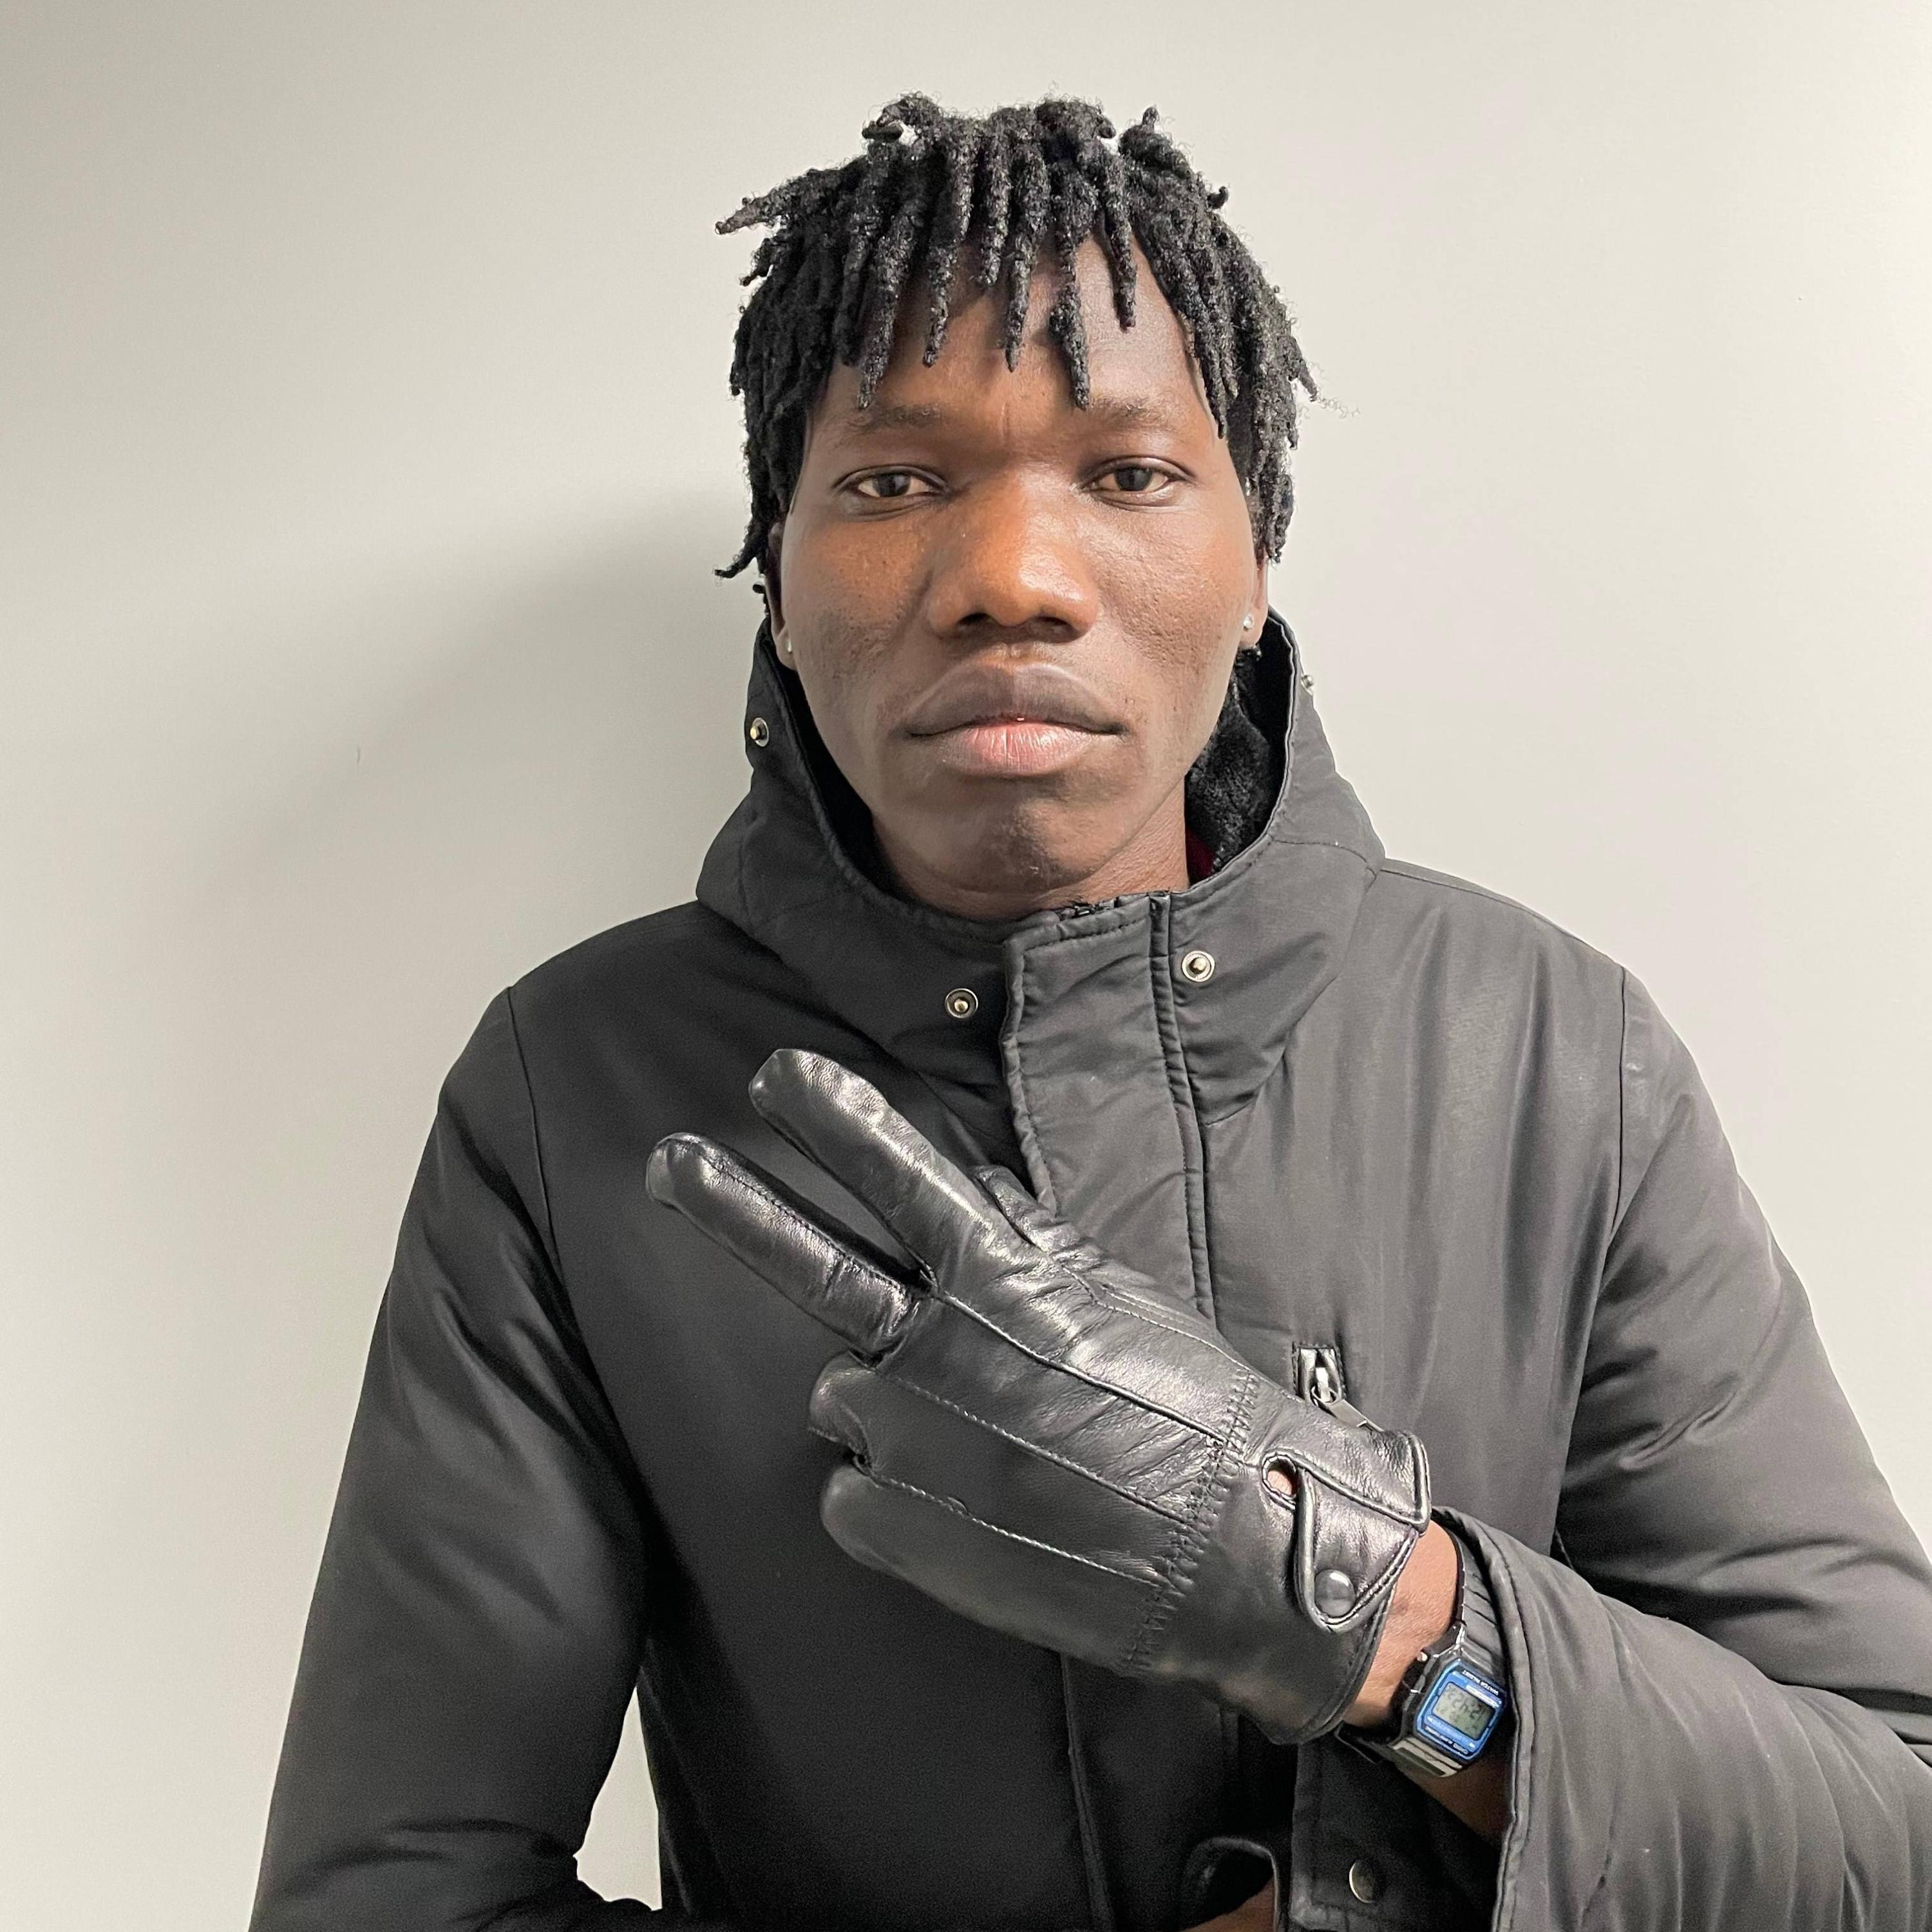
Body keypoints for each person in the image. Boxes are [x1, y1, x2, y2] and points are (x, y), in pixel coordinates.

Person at [250, 95, 1932, 1932]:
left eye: (1126, 475)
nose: (1013, 580)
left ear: (1256, 558)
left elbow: (1894, 1821)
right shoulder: (573, 1091)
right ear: (777, 573)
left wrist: (1366, 1612)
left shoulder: (1545, 1050)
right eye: (893, 482)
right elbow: (390, 1899)